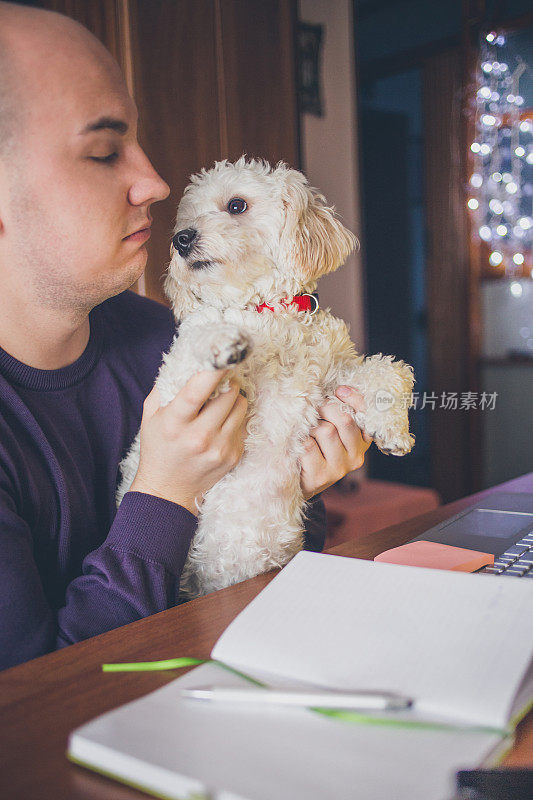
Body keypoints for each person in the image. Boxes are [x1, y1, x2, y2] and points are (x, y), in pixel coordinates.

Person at [0, 1, 371, 671]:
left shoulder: (159, 337)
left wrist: (288, 488)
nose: (155, 181)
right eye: (105, 151)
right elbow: (29, 700)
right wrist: (164, 495)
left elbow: (247, 595)